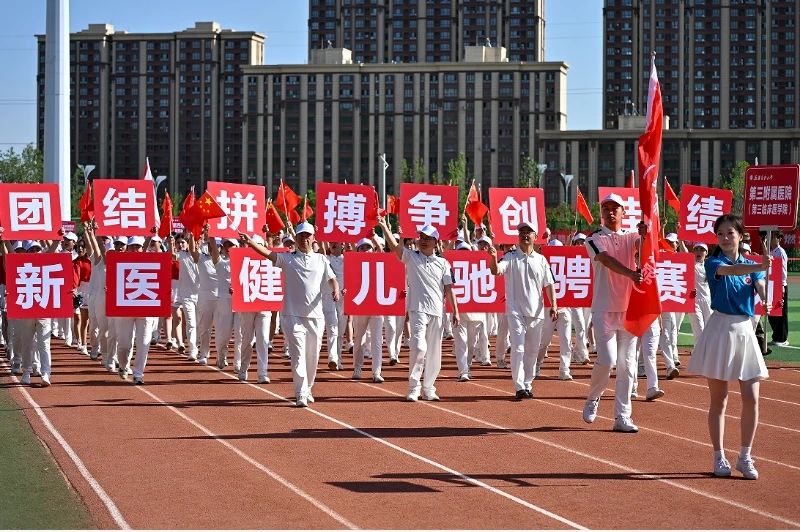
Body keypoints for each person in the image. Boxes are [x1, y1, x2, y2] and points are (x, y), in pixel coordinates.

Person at [688, 214, 770, 480]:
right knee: (719, 399)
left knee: (752, 397)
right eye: (720, 234)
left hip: (745, 330)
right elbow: (732, 271)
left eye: (730, 233)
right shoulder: (713, 262)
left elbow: (760, 286)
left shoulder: (752, 265)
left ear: (740, 236)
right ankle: (719, 456)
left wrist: (765, 292)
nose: (724, 238)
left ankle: (745, 456)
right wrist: (759, 265)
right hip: (720, 329)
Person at [239, 221, 339, 407]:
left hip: (315, 316)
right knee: (298, 354)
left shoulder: (321, 259)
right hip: (292, 315)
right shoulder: (287, 259)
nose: (304, 238)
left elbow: (332, 279)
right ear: (296, 238)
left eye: (307, 235)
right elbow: (267, 253)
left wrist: (336, 289)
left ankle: (308, 388)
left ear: (313, 238)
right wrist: (250, 242)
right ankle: (300, 392)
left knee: (312, 357)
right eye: (301, 235)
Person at [581, 193, 646, 433]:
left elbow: (647, 250)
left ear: (622, 212)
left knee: (627, 365)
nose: (610, 212)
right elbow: (605, 259)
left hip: (629, 309)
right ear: (601, 212)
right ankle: (593, 397)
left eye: (615, 208)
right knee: (607, 361)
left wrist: (646, 234)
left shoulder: (631, 237)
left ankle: (622, 416)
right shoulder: (594, 238)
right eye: (606, 208)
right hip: (604, 307)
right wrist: (630, 273)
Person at [381, 218, 460, 402]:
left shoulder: (443, 263)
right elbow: (394, 247)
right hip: (417, 309)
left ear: (436, 242)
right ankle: (414, 387)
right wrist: (384, 226)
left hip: (437, 312)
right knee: (418, 346)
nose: (423, 240)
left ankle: (429, 388)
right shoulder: (411, 257)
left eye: (428, 238)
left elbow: (449, 289)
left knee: (434, 353)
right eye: (421, 237)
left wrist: (455, 311)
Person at [489, 221, 558, 399]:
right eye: (522, 232)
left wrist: (554, 305)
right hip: (515, 311)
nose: (525, 235)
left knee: (532, 350)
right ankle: (519, 386)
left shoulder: (541, 260)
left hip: (536, 311)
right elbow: (496, 271)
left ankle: (527, 383)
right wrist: (493, 257)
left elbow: (549, 284)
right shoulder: (510, 257)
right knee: (518, 348)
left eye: (529, 232)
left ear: (535, 236)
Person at [765, 230, 789, 346]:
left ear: (779, 239)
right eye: (770, 236)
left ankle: (782, 339)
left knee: (781, 313)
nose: (771, 239)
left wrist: (782, 286)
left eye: (774, 237)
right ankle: (776, 336)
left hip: (780, 285)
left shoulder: (780, 252)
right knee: (772, 312)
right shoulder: (770, 251)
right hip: (772, 285)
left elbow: (783, 271)